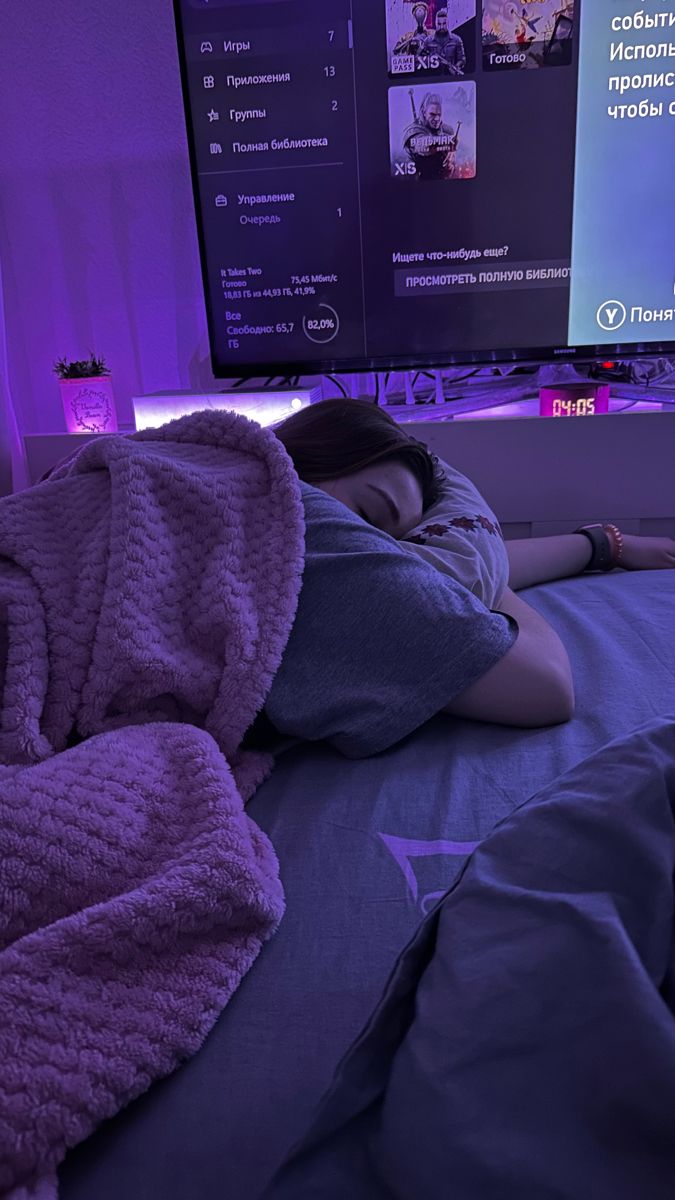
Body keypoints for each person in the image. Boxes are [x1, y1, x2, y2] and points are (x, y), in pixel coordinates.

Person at [241, 399, 671, 760]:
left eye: (398, 543)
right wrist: (472, 568)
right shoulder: (309, 535)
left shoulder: (298, 535)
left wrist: (603, 545)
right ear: (304, 459)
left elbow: (429, 574)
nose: (388, 561)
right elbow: (547, 683)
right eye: (369, 515)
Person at [403, 92, 459, 181]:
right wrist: (447, 140)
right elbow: (424, 146)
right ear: (423, 112)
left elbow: (451, 163)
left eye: (439, 115)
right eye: (432, 114)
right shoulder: (413, 131)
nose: (437, 119)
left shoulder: (447, 130)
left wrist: (450, 165)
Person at [423, 8, 466, 75]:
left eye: (444, 24)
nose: (442, 27)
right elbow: (419, 59)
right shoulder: (428, 41)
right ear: (435, 23)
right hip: (432, 78)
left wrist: (456, 67)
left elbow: (462, 59)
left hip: (451, 78)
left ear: (447, 23)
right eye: (439, 24)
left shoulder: (456, 40)